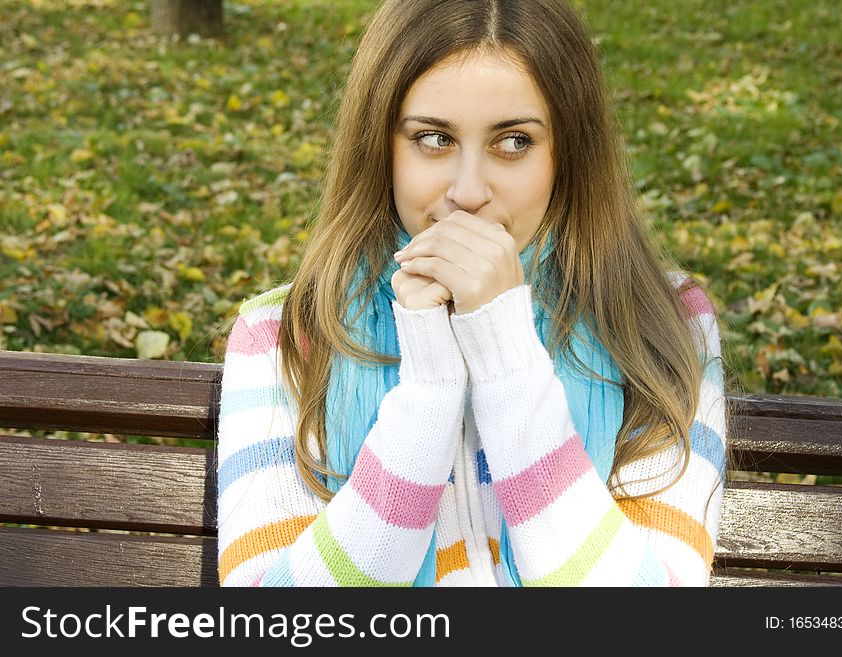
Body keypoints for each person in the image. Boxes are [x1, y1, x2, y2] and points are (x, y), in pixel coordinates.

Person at [216, 0, 727, 587]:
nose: (468, 192)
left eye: (513, 143)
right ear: (381, 147)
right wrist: (428, 390)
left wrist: (506, 354)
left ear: (569, 154)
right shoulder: (287, 333)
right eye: (433, 138)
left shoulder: (661, 324)